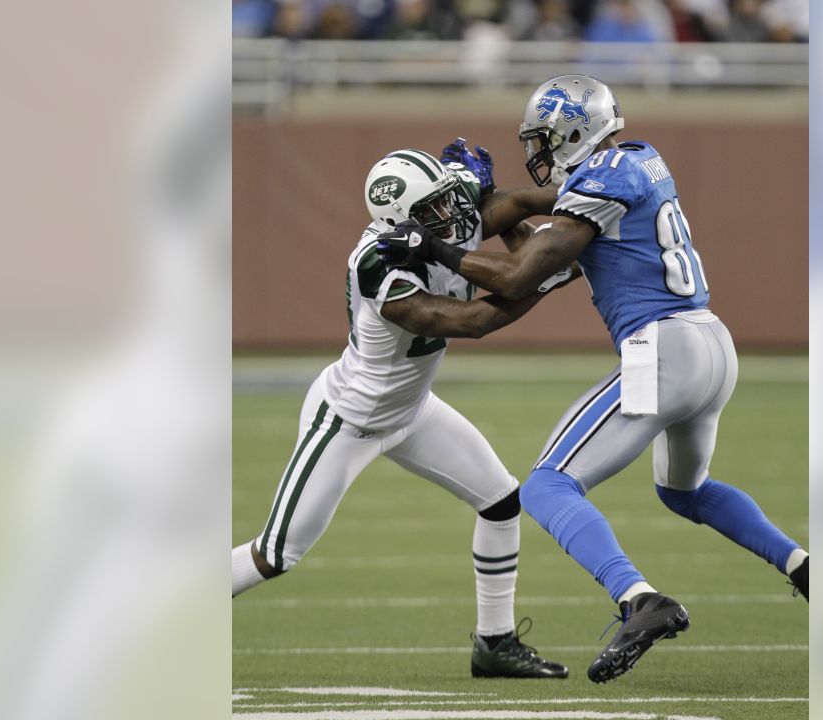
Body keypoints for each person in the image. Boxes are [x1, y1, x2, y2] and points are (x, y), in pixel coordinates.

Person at [375, 75, 808, 683]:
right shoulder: (636, 162)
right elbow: (538, 249)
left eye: (544, 139)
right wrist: (487, 200)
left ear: (572, 130)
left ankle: (638, 599)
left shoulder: (599, 181)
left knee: (546, 488)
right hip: (711, 343)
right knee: (685, 491)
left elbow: (519, 275)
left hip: (661, 350)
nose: (540, 151)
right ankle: (804, 568)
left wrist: (435, 247)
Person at [231, 144, 571, 679]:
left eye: (446, 200)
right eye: (434, 208)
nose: (452, 215)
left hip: (411, 410)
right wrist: (541, 282)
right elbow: (469, 322)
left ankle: (495, 644)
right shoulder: (378, 266)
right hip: (350, 419)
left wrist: (591, 200)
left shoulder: (437, 215)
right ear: (401, 225)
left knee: (502, 501)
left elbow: (516, 203)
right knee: (276, 553)